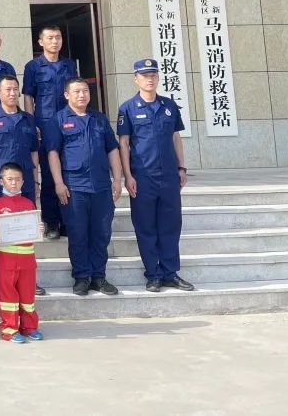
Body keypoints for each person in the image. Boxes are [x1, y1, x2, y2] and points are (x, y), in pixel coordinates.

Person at [118, 59, 195, 294]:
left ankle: (170, 273)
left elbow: (176, 138)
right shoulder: (128, 108)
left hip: (169, 176)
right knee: (146, 227)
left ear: (158, 78)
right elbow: (124, 143)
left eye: (153, 75)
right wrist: (127, 176)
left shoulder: (168, 106)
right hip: (143, 177)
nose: (149, 79)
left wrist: (182, 168)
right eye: (144, 76)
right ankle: (153, 274)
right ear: (136, 79)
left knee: (171, 225)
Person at [46, 77, 123, 296]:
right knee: (78, 233)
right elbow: (53, 153)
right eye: (77, 91)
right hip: (74, 187)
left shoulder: (99, 119)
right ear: (66, 95)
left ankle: (98, 277)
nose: (82, 95)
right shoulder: (59, 119)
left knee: (101, 233)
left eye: (85, 91)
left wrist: (117, 180)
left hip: (101, 186)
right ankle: (81, 277)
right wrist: (58, 183)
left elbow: (112, 150)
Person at [0, 74, 45, 296]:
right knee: (2, 231)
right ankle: (4, 277)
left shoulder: (28, 119)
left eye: (16, 89)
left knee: (25, 230)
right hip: (0, 183)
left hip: (25, 183)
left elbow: (34, 152)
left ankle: (28, 278)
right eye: (8, 89)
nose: (13, 93)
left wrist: (35, 179)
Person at [22, 24, 77, 240]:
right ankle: (51, 221)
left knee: (68, 171)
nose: (55, 41)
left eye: (58, 37)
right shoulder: (33, 66)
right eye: (50, 38)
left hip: (67, 123)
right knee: (47, 173)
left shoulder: (68, 65)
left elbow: (74, 92)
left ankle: (67, 220)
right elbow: (28, 95)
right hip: (44, 125)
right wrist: (31, 122)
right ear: (41, 42)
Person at [0, 163, 43, 343]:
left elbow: (34, 230)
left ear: (23, 181)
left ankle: (29, 327)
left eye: (17, 179)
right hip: (6, 260)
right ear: (1, 181)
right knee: (7, 296)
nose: (13, 183)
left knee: (28, 296)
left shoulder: (29, 204)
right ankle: (10, 329)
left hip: (27, 259)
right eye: (9, 179)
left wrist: (39, 229)